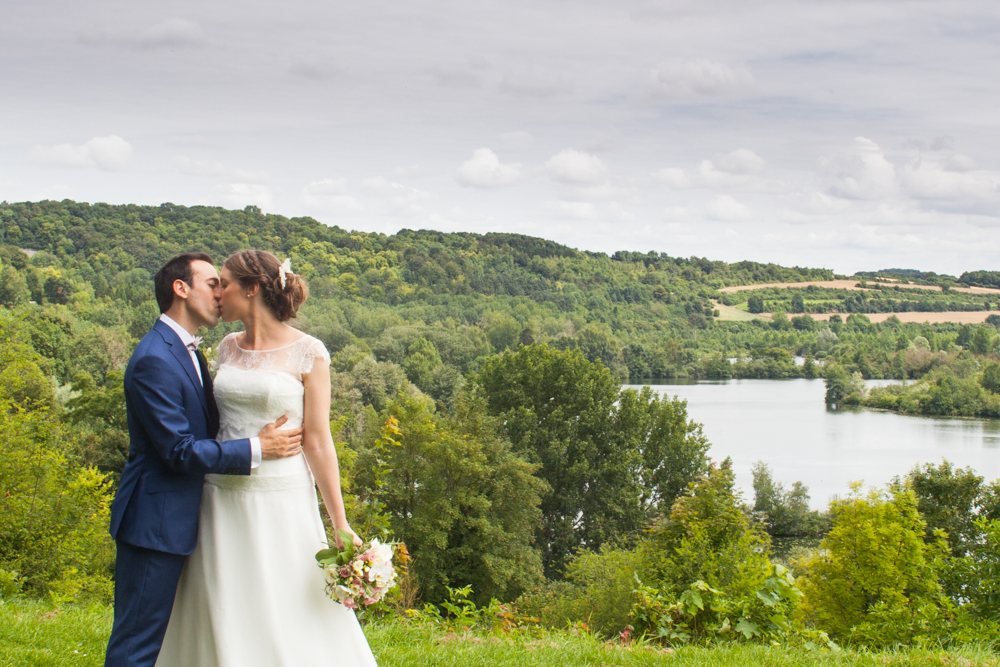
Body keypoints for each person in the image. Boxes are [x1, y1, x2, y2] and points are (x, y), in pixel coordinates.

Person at [154, 250, 377, 667]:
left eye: (224, 283)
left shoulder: (310, 353)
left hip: (281, 494)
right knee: (222, 597)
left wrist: (340, 522)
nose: (217, 292)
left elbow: (319, 441)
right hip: (220, 493)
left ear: (252, 288)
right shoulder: (226, 347)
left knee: (286, 599)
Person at [105, 252, 304, 667]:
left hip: (191, 516)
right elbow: (179, 449)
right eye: (212, 283)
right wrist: (256, 448)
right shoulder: (154, 360)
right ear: (181, 288)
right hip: (154, 522)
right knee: (138, 643)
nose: (220, 293)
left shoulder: (191, 352)